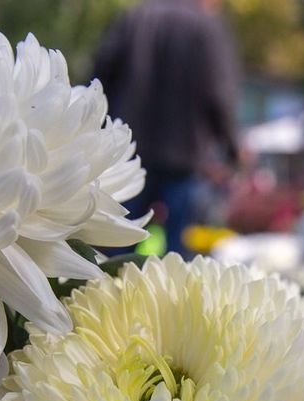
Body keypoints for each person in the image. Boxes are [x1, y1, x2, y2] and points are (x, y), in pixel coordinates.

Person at [92, 0, 241, 258]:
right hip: (184, 158)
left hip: (127, 152)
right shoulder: (207, 28)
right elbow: (218, 95)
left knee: (113, 246)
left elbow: (99, 75)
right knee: (177, 255)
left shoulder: (136, 18)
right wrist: (232, 148)